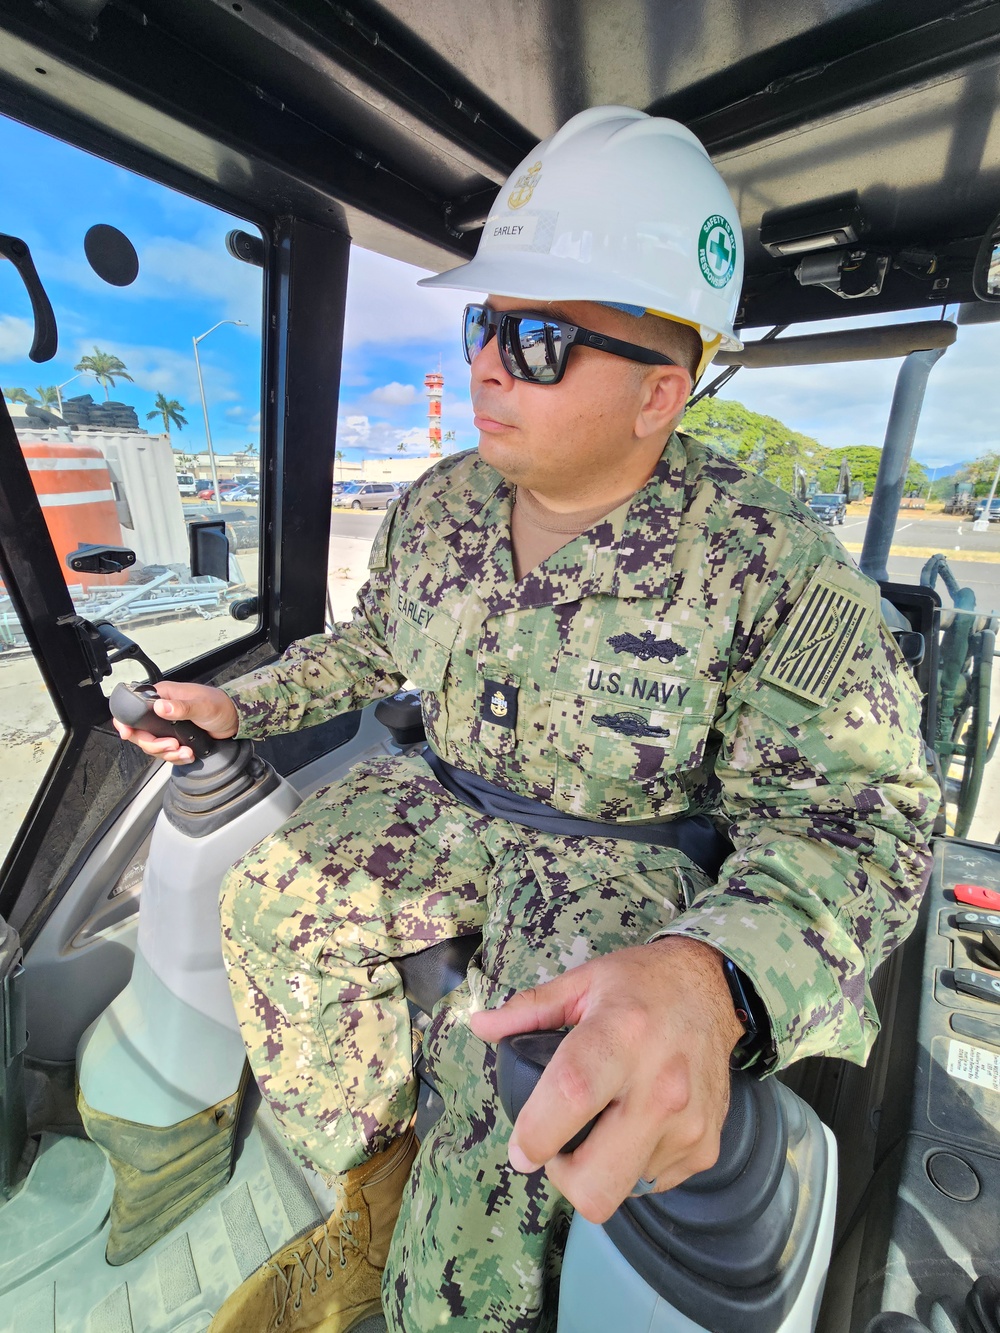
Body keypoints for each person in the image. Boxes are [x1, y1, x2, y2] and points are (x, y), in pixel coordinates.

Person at [116, 106, 939, 1333]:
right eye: (484, 322)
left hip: (625, 849)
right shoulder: (442, 503)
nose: (487, 362)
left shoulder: (774, 565)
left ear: (661, 391)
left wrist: (713, 982)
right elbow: (375, 642)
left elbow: (859, 824)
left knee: (505, 1091)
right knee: (269, 899)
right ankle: (362, 1183)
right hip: (439, 793)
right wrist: (243, 699)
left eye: (541, 337)